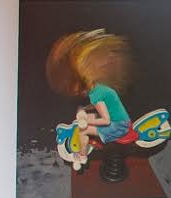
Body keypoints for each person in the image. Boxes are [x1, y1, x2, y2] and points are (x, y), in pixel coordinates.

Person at [45, 29, 135, 167]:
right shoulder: (100, 89)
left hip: (118, 126)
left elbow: (106, 120)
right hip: (120, 121)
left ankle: (81, 156)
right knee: (90, 118)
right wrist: (85, 111)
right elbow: (101, 107)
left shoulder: (96, 95)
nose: (78, 94)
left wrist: (86, 120)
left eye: (76, 91)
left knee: (84, 131)